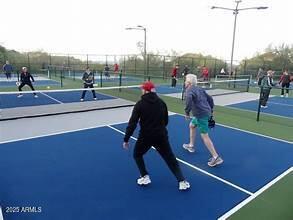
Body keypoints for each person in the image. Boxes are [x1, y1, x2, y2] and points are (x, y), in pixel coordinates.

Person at [123, 81, 190, 190]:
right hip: (161, 136)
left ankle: (145, 176)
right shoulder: (161, 102)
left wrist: (126, 139)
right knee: (170, 158)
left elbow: (132, 123)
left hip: (146, 137)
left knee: (137, 154)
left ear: (145, 90)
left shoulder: (140, 104)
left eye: (142, 89)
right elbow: (166, 121)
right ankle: (182, 181)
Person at [183, 74, 223, 167]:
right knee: (192, 126)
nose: (184, 82)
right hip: (201, 114)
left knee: (204, 135)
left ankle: (216, 157)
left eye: (185, 81)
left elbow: (188, 100)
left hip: (202, 115)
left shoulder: (189, 91)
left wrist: (187, 113)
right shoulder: (199, 88)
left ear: (188, 83)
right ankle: (191, 145)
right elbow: (210, 99)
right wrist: (211, 109)